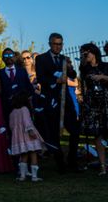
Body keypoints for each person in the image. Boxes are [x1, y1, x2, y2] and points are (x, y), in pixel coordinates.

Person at [35, 33, 81, 172]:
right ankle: (61, 164)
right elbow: (41, 78)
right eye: (55, 44)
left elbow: (72, 76)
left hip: (65, 100)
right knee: (54, 133)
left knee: (75, 130)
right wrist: (56, 80)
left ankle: (72, 162)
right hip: (50, 101)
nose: (58, 46)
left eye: (60, 44)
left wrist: (70, 67)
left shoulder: (63, 59)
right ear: (50, 44)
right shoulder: (41, 59)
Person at [79, 42, 108, 175]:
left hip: (106, 101)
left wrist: (102, 77)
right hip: (92, 104)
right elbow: (82, 71)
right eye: (83, 53)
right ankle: (103, 166)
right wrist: (84, 58)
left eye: (87, 52)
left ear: (94, 52)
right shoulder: (84, 68)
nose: (85, 55)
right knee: (97, 134)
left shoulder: (105, 66)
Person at [9, 91, 45, 181]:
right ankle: (34, 176)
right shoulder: (25, 109)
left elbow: (11, 126)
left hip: (19, 138)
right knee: (33, 154)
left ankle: (22, 176)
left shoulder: (12, 112)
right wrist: (31, 131)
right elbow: (27, 122)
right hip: (28, 136)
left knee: (23, 155)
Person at [0, 48, 33, 127]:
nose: (9, 57)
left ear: (14, 57)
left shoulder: (22, 71)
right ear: (2, 58)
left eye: (11, 55)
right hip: (7, 109)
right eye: (6, 55)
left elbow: (29, 88)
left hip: (23, 109)